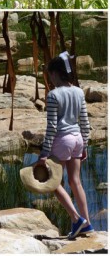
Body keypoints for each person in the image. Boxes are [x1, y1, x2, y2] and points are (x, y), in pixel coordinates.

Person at [36, 52, 93, 239]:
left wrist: (44, 153)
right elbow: (85, 121)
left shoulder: (53, 95)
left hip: (62, 139)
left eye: (49, 75)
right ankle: (87, 224)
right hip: (77, 138)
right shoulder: (78, 91)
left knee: (52, 182)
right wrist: (84, 144)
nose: (49, 79)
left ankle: (76, 218)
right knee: (75, 182)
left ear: (55, 74)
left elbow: (52, 125)